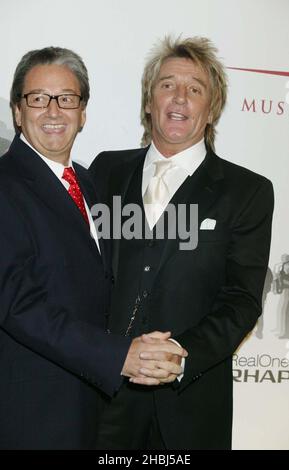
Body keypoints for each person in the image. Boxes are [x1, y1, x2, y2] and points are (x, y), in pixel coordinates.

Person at [89, 36, 274, 450]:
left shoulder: (248, 191)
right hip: (104, 400)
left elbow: (242, 298)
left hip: (192, 406)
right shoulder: (105, 170)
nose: (179, 97)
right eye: (167, 84)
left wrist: (179, 352)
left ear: (212, 109)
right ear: (148, 101)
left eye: (195, 88)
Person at [0, 46, 187, 450]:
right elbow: (16, 302)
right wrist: (118, 354)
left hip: (88, 407)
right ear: (18, 111)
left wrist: (144, 345)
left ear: (82, 114)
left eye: (67, 99)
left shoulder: (88, 183)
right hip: (28, 414)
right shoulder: (4, 183)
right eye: (38, 99)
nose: (53, 112)